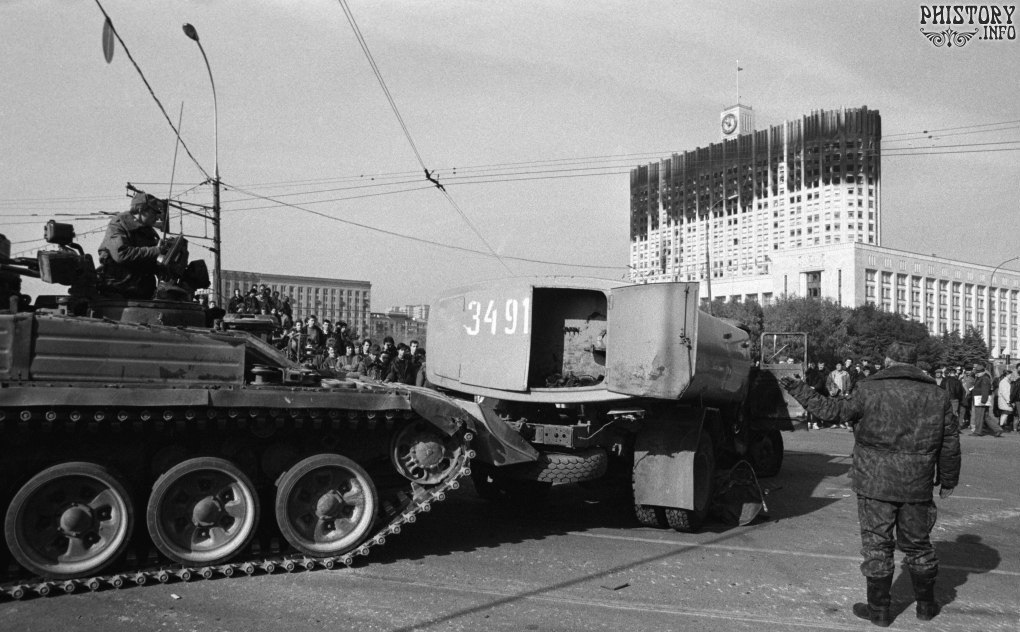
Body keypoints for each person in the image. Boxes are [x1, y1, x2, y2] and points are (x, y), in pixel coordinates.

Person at [779, 341, 960, 627]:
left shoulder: (868, 389)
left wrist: (798, 388)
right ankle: (926, 606)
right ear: (915, 364)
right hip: (917, 483)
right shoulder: (937, 395)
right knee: (918, 545)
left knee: (877, 545)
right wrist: (948, 480)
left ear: (888, 360)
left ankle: (879, 612)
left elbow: (829, 411)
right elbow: (950, 442)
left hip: (874, 481)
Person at [96, 191, 167, 299]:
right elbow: (122, 255)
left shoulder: (148, 231)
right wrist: (156, 250)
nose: (158, 217)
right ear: (140, 210)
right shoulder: (119, 225)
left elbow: (146, 260)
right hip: (118, 290)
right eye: (154, 213)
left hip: (142, 292)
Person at [969, 363, 1000, 437]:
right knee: (986, 417)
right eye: (977, 372)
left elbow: (985, 390)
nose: (977, 374)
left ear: (983, 371)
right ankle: (997, 429)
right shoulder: (983, 377)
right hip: (981, 400)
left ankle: (977, 432)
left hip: (980, 400)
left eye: (978, 372)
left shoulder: (984, 378)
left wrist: (983, 400)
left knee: (979, 417)